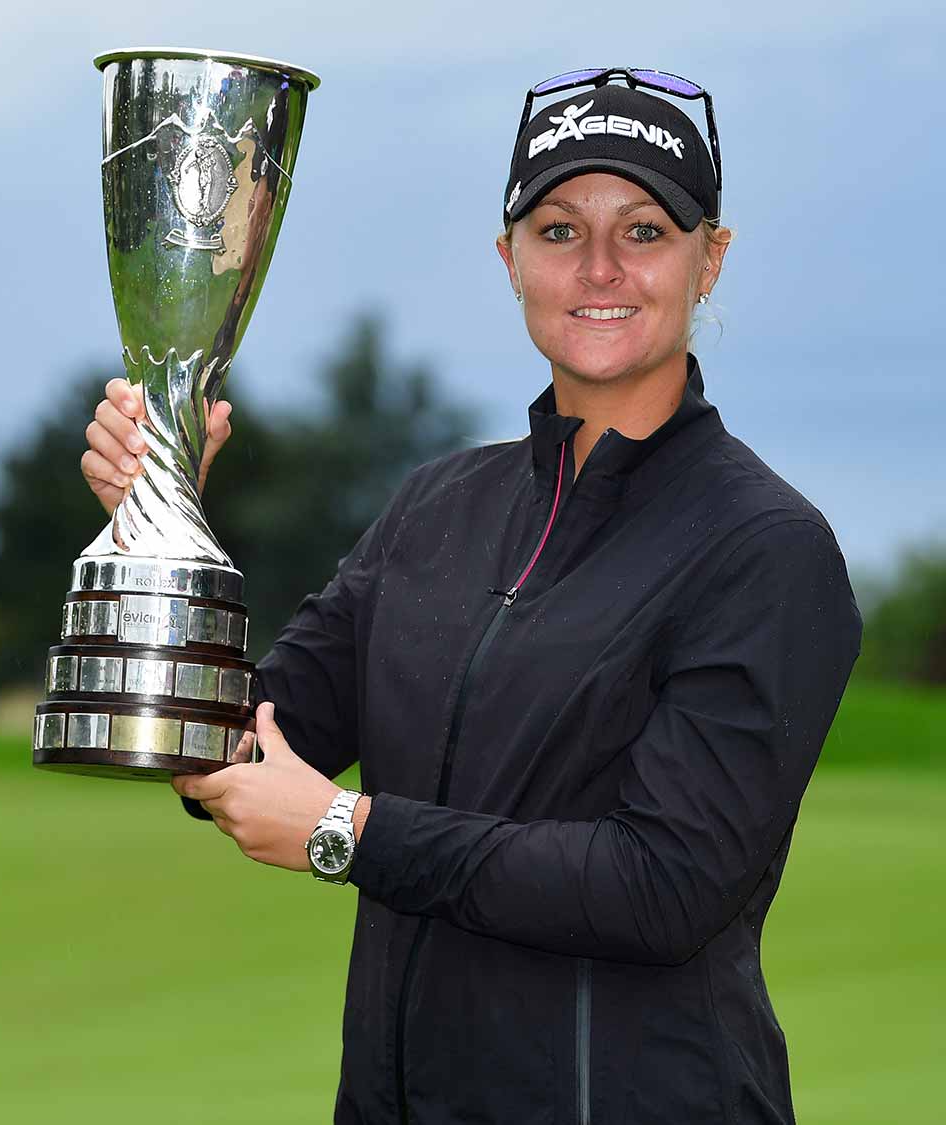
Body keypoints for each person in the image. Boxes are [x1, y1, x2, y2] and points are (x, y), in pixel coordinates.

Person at [80, 70, 860, 1124]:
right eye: (554, 230)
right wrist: (160, 521)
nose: (596, 268)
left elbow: (665, 885)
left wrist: (350, 831)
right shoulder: (436, 506)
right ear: (508, 259)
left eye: (641, 231)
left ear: (706, 257)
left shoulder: (762, 548)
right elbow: (238, 746)